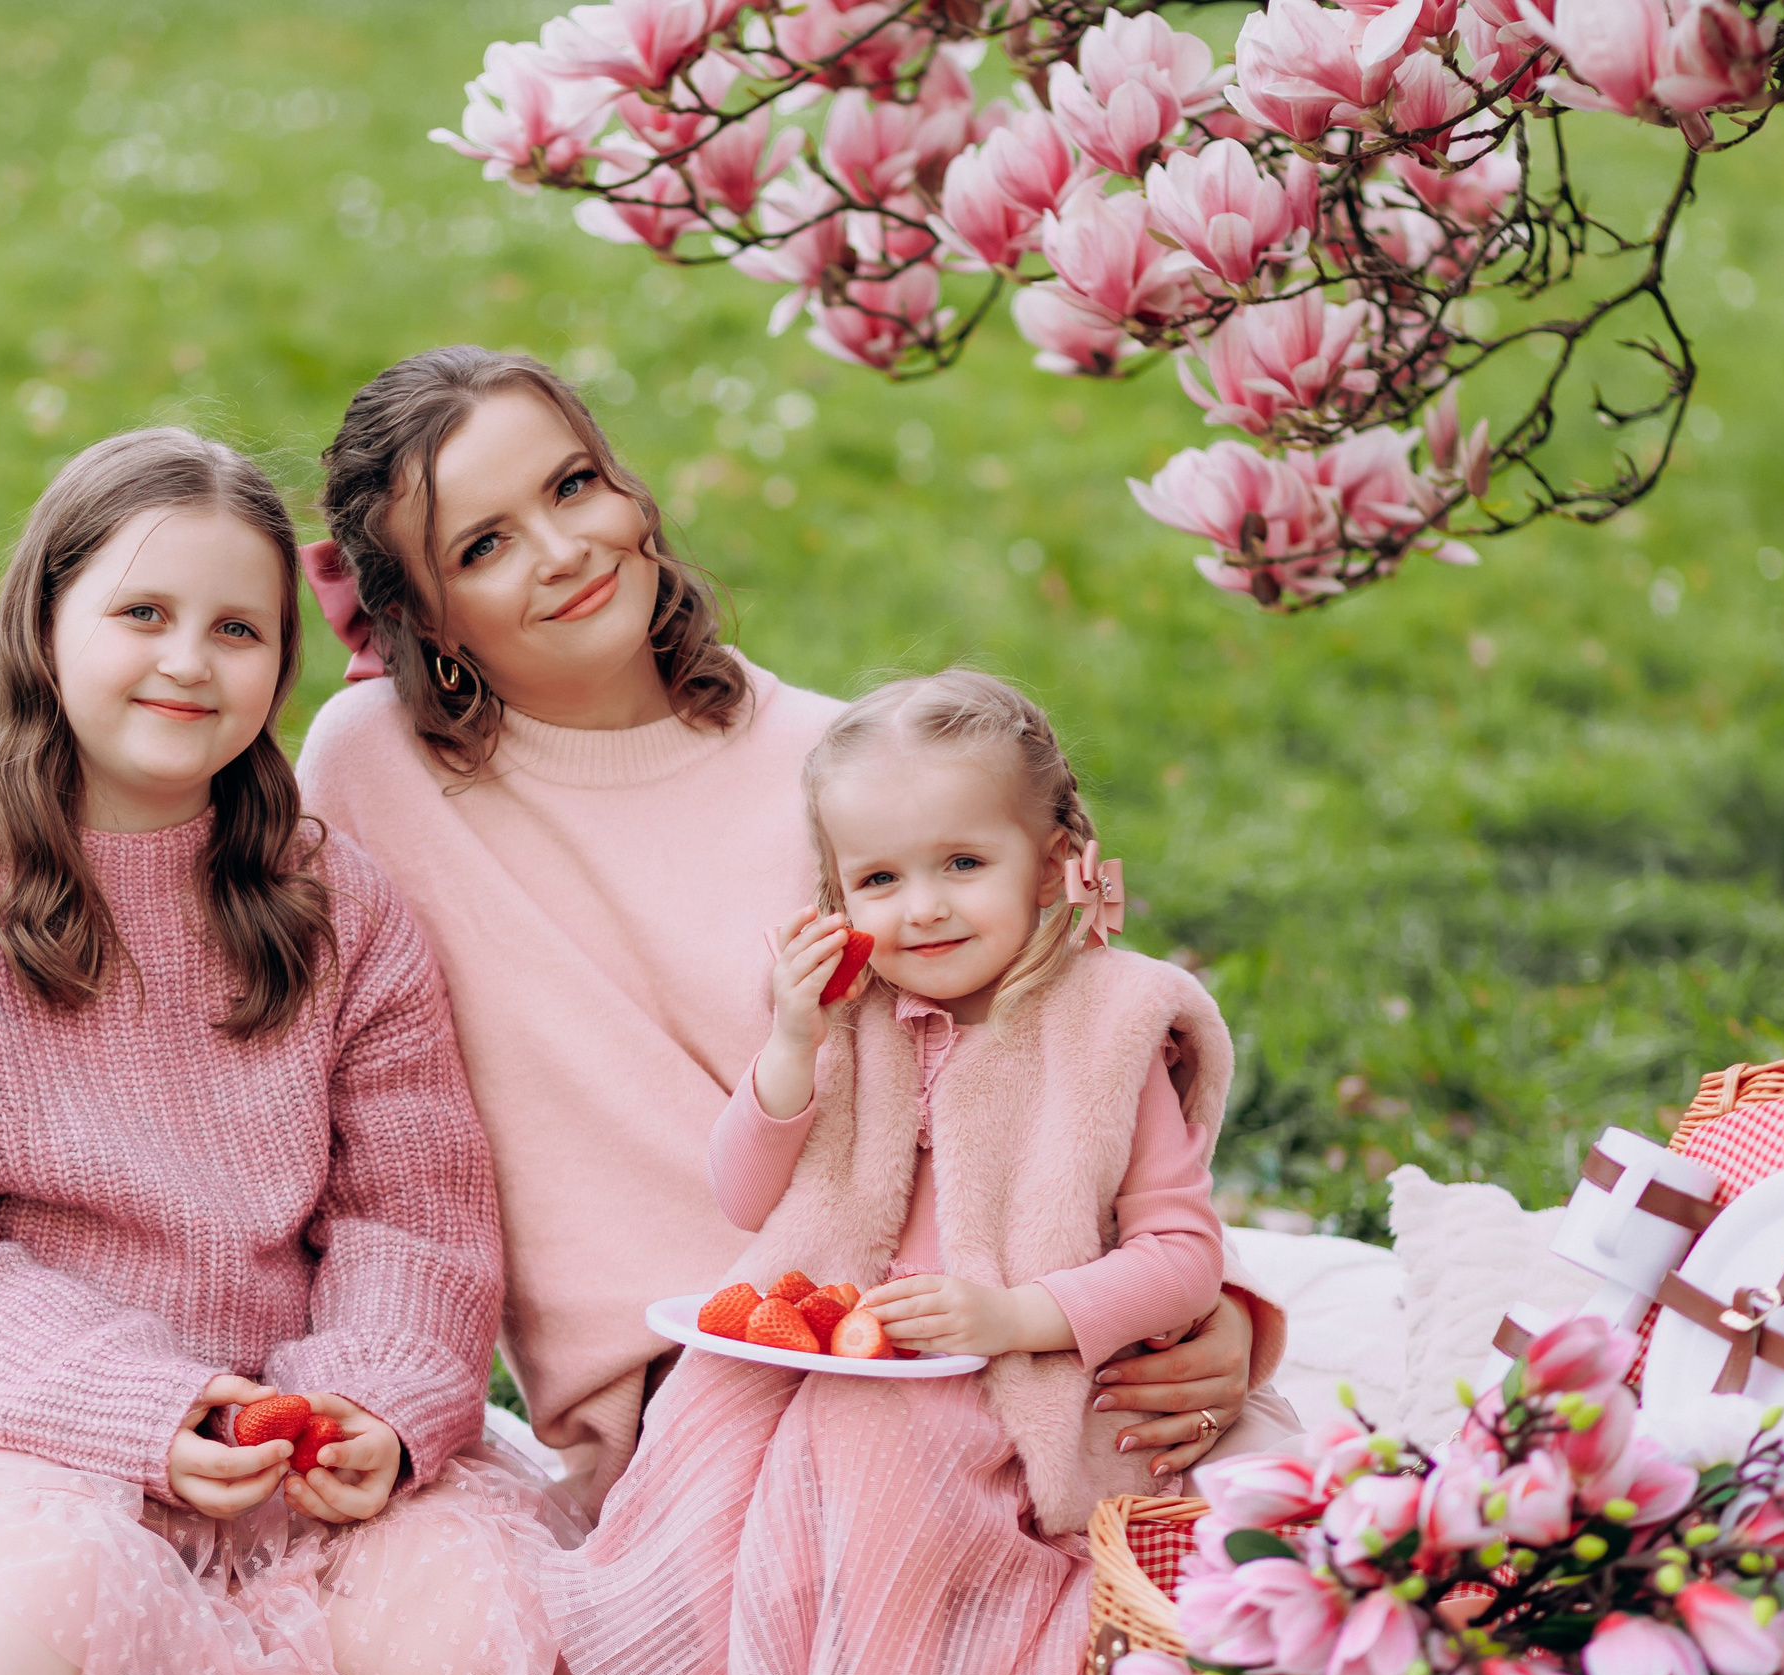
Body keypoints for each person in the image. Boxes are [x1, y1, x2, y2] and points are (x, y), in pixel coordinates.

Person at [295, 347, 1296, 1528]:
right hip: (680, 1389)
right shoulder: (373, 769)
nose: (563, 552)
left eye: (572, 488)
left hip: (953, 1344)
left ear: (627, 487)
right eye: (483, 545)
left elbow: (1062, 1053)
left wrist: (1214, 1310)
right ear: (418, 615)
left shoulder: (843, 774)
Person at [0, 429, 554, 1675]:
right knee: (62, 1603)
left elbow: (412, 1218)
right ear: (45, 625)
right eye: (141, 612)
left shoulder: (339, 911)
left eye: (238, 629)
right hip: (29, 1439)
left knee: (466, 1638)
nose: (188, 662)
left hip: (298, 1445)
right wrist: (150, 1410)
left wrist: (370, 1403)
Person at [546, 669, 1237, 1675]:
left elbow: (1182, 1255)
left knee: (871, 1456)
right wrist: (790, 1045)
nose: (921, 910)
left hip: (997, 1376)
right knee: (703, 1426)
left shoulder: (1105, 1029)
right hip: (827, 1344)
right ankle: (693, 1672)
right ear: (837, 897)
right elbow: (743, 1193)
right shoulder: (848, 1016)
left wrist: (1015, 1314)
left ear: (1052, 866)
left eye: (962, 863)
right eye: (878, 881)